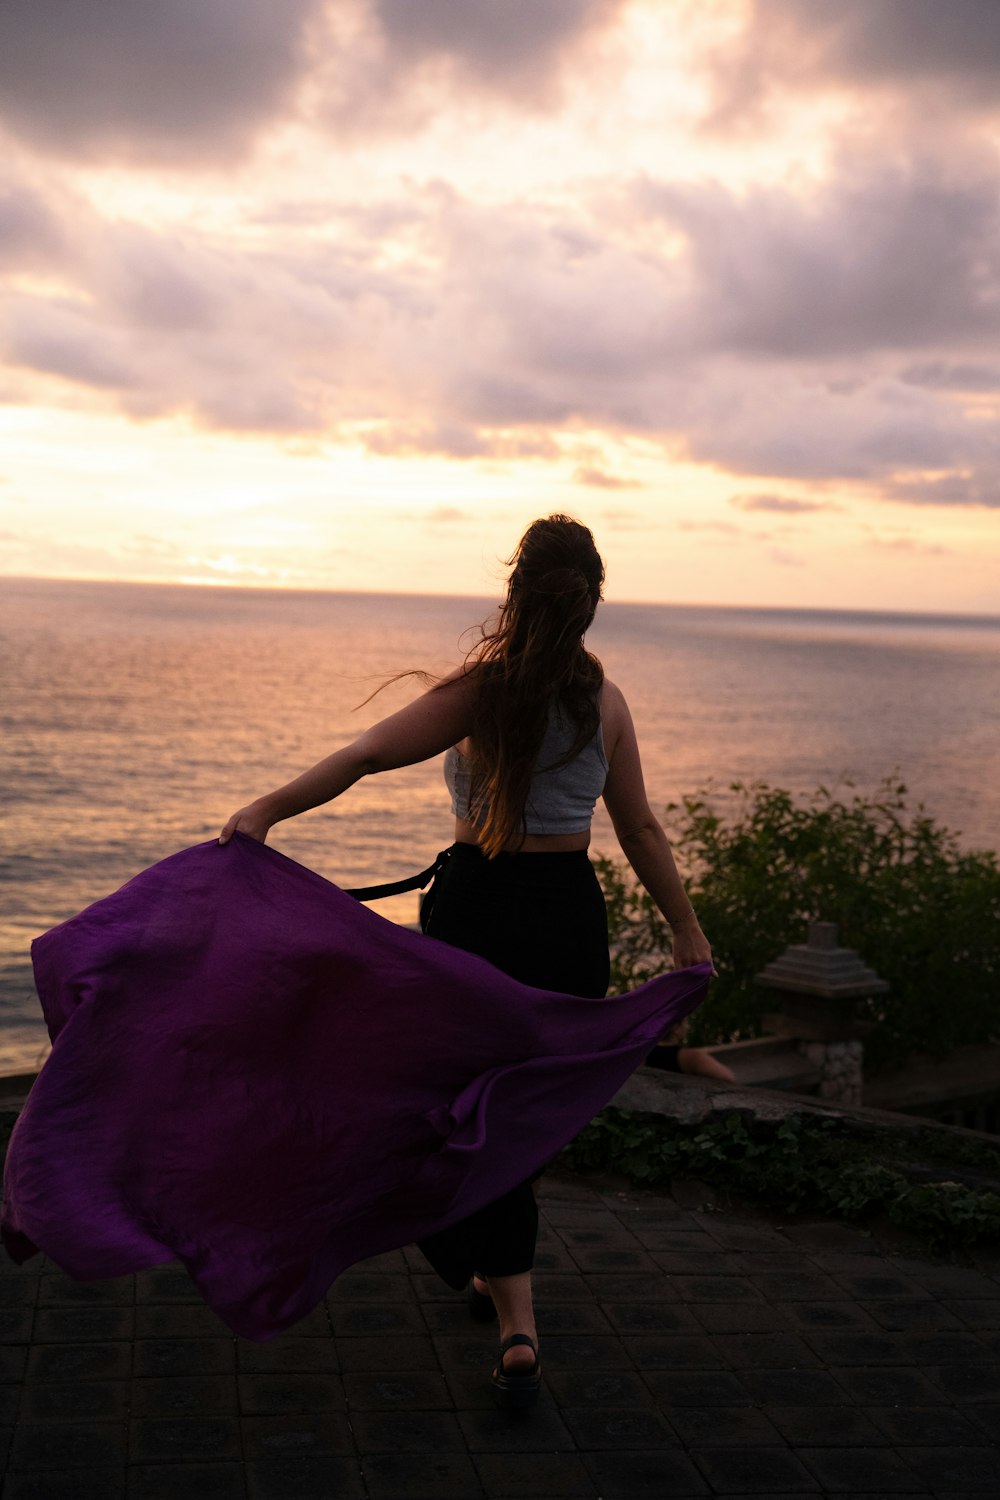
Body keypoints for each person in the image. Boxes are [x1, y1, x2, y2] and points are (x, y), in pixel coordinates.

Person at [219, 514, 712, 1407]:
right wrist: (686, 931)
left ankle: (514, 1316)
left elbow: (366, 756)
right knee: (514, 1112)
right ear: (593, 603)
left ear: (515, 594)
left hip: (478, 915)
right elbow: (637, 827)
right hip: (569, 923)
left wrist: (266, 810)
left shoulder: (479, 693)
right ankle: (493, 1276)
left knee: (455, 1104)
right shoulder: (607, 702)